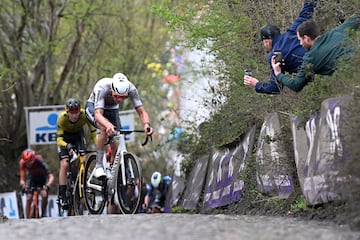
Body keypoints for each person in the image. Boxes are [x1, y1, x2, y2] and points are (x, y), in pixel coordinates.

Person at [85, 72, 154, 214]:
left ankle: (111, 170)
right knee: (105, 129)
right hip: (94, 108)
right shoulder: (102, 87)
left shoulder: (131, 89)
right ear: (112, 89)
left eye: (122, 98)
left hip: (111, 111)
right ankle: (98, 166)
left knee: (116, 139)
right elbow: (98, 115)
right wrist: (107, 125)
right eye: (116, 96)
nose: (118, 99)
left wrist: (146, 124)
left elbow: (141, 111)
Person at [272, 11, 360, 92]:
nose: (300, 43)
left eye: (300, 40)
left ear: (306, 38)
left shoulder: (311, 58)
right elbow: (357, 18)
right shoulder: (336, 32)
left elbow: (296, 85)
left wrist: (278, 73)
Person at [244, 0, 318, 94]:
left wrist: (256, 84)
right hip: (325, 54)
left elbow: (276, 88)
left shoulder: (274, 55)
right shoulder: (293, 31)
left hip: (318, 72)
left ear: (267, 40)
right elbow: (306, 13)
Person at [56, 98, 97, 209]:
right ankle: (63, 194)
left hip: (78, 137)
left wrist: (99, 146)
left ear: (80, 111)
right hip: (65, 139)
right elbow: (58, 140)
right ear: (67, 111)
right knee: (64, 164)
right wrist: (67, 146)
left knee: (84, 159)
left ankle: (86, 183)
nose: (74, 116)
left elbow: (93, 132)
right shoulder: (62, 118)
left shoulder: (85, 115)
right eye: (72, 113)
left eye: (76, 112)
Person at [19, 149, 55, 218]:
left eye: (30, 162)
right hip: (32, 178)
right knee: (29, 198)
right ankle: (27, 218)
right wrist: (23, 184)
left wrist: (48, 185)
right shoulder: (22, 162)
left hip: (42, 178)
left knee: (44, 195)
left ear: (33, 159)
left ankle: (43, 213)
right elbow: (22, 177)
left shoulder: (39, 160)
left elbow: (51, 176)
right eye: (26, 163)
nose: (28, 164)